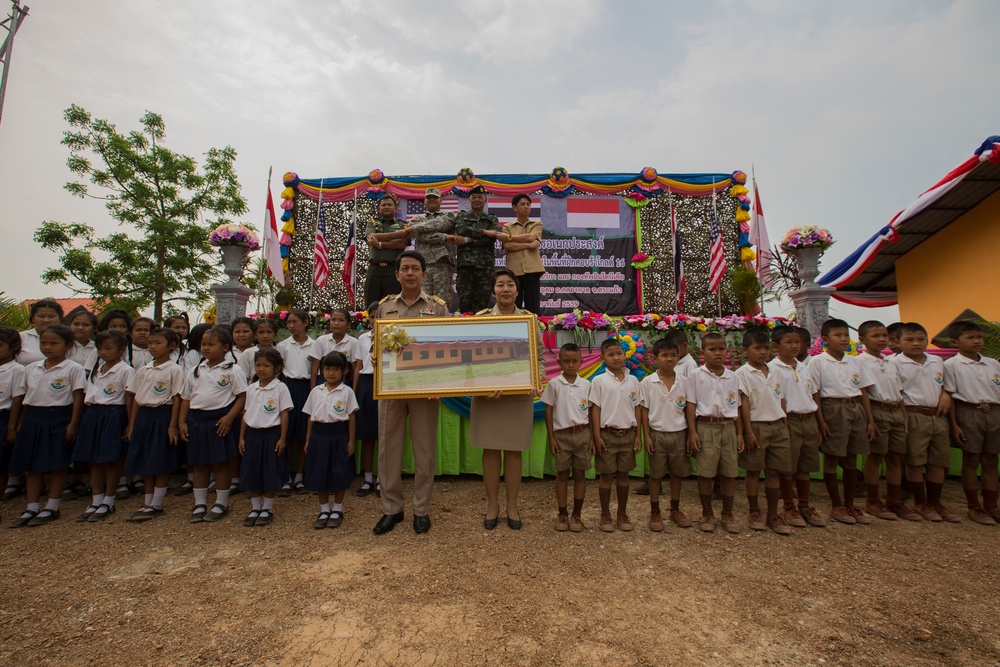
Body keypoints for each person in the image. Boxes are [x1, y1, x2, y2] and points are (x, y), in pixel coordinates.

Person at [372, 250, 449, 535]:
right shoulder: (385, 307)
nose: (410, 273)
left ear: (424, 274)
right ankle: (392, 510)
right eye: (404, 268)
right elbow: (375, 342)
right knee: (387, 451)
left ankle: (421, 510)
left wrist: (439, 383)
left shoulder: (437, 307)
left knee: (424, 452)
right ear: (397, 275)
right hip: (391, 388)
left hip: (425, 390)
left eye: (415, 268)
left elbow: (446, 347)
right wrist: (374, 354)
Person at [471, 269, 544, 530]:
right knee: (490, 451)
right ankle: (493, 505)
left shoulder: (529, 320)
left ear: (517, 290)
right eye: (500, 285)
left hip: (518, 395)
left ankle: (512, 505)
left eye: (510, 285)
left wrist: (536, 381)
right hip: (488, 396)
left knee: (513, 452)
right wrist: (480, 385)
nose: (505, 289)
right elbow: (472, 357)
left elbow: (539, 357)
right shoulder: (479, 320)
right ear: (493, 291)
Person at [7, 324, 85, 527]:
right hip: (33, 416)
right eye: (44, 343)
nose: (48, 347)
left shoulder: (73, 368)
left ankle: (52, 505)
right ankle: (31, 506)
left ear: (68, 345)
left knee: (57, 463)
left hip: (58, 416)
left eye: (54, 343)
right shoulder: (33, 367)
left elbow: (78, 397)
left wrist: (73, 423)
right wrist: (19, 424)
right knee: (31, 464)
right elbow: (26, 397)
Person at [811, 319, 877, 525]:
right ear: (824, 340)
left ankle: (850, 503)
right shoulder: (817, 362)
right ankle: (836, 504)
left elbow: (863, 390)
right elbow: (815, 393)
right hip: (832, 408)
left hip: (855, 408)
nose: (842, 339)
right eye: (837, 335)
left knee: (851, 458)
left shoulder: (855, 361)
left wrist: (870, 420)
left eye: (845, 335)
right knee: (832, 458)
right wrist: (820, 420)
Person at [891, 322, 959, 522]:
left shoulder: (937, 361)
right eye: (909, 340)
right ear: (898, 342)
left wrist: (945, 394)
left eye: (921, 339)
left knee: (938, 461)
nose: (916, 344)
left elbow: (944, 385)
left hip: (937, 415)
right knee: (915, 460)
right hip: (913, 414)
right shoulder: (894, 363)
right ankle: (920, 502)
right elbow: (897, 392)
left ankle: (935, 502)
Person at [178, 327, 247, 523]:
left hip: (220, 420)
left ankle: (221, 502)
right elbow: (186, 398)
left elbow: (242, 396)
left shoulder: (233, 370)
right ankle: (200, 503)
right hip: (197, 420)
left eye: (211, 344)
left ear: (225, 347)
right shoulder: (195, 370)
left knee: (220, 463)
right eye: (203, 344)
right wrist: (182, 421)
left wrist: (229, 417)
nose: (206, 348)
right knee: (199, 464)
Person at [856, 320, 917, 520]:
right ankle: (873, 500)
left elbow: (899, 392)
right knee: (875, 456)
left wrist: (904, 416)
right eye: (876, 336)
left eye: (885, 336)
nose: (882, 339)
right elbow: (863, 391)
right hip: (877, 409)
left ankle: (894, 500)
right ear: (862, 339)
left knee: (895, 457)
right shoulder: (861, 362)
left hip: (895, 411)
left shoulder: (891, 362)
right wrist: (870, 420)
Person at [71, 331, 135, 522]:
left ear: (121, 350)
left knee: (111, 459)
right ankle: (96, 499)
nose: (103, 352)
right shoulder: (97, 370)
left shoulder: (126, 370)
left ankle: (109, 500)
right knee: (94, 460)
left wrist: (130, 424)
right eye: (100, 348)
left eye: (108, 348)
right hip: (94, 414)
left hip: (114, 414)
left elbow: (130, 398)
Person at [123, 328, 185, 522]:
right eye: (150, 343)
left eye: (158, 343)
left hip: (163, 415)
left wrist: (172, 425)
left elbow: (177, 398)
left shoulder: (174, 369)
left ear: (171, 346)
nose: (152, 347)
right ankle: (147, 501)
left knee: (160, 458)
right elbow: (135, 397)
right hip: (145, 416)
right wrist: (132, 424)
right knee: (146, 458)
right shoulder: (144, 369)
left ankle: (157, 503)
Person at [735, 331, 793, 535]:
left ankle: (773, 514)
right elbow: (743, 404)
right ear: (745, 351)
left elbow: (781, 398)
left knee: (774, 471)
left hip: (777, 424)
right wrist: (747, 432)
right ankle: (754, 511)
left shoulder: (775, 371)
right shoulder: (741, 374)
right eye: (757, 348)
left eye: (765, 348)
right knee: (753, 470)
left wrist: (784, 423)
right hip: (757, 425)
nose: (762, 352)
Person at [685, 332, 743, 534]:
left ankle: (727, 513)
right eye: (712, 349)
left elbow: (737, 407)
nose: (718, 353)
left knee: (729, 473)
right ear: (703, 352)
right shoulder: (695, 376)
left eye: (721, 349)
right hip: (706, 427)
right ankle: (707, 513)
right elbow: (691, 405)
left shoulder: (733, 376)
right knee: (706, 472)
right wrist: (692, 432)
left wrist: (740, 433)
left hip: (728, 426)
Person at [768, 325, 825, 527]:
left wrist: (819, 422)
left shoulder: (803, 367)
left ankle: (805, 505)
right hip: (788, 420)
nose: (794, 346)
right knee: (787, 468)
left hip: (807, 419)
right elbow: (778, 399)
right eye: (789, 342)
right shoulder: (773, 369)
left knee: (805, 467)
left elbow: (812, 394)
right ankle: (789, 506)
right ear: (776, 345)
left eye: (797, 342)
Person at [944, 320, 1000, 524]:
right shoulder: (951, 365)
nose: (976, 341)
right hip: (968, 411)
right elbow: (949, 395)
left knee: (991, 460)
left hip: (994, 411)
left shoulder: (993, 364)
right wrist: (955, 424)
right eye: (970, 337)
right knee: (971, 460)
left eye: (979, 337)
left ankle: (991, 505)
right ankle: (974, 506)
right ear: (954, 342)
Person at [639, 337, 693, 531]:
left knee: (677, 474)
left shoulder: (685, 382)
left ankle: (675, 509)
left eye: (673, 355)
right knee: (656, 475)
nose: (669, 359)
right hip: (657, 435)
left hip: (679, 434)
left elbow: (688, 410)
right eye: (664, 355)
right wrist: (646, 435)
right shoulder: (648, 382)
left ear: (679, 357)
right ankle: (655, 512)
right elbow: (643, 410)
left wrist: (689, 435)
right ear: (655, 358)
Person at [589, 338, 642, 532]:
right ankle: (605, 514)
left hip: (628, 435)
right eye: (610, 354)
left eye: (619, 353)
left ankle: (622, 513)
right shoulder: (599, 381)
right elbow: (594, 410)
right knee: (606, 475)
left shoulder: (633, 380)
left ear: (625, 354)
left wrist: (638, 435)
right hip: (607, 435)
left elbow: (637, 408)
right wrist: (596, 436)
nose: (616, 357)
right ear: (603, 358)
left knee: (623, 476)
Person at [541, 342, 593, 532]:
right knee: (562, 474)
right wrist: (552, 438)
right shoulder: (554, 384)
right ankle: (562, 514)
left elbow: (592, 412)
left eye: (574, 361)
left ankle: (577, 515)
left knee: (580, 474)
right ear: (559, 362)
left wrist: (593, 438)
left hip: (583, 434)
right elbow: (549, 411)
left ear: (581, 361)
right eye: (566, 361)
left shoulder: (586, 384)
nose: (570, 365)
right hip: (561, 435)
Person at [238, 348, 292, 527]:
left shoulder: (280, 388)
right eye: (258, 365)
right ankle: (255, 507)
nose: (261, 369)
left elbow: (284, 414)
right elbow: (246, 412)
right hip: (253, 434)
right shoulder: (252, 388)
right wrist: (242, 437)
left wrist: (282, 438)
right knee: (253, 469)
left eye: (266, 365)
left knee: (270, 470)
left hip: (272, 434)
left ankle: (267, 507)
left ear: (276, 368)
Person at [303, 352, 358, 529]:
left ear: (344, 371)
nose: (331, 373)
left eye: (336, 369)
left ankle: (338, 509)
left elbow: (351, 417)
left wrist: (351, 440)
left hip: (339, 435)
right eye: (327, 369)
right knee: (320, 472)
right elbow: (310, 416)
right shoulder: (315, 391)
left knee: (339, 471)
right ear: (321, 370)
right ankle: (324, 509)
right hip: (319, 435)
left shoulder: (347, 391)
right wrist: (308, 440)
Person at [275, 309, 317, 495]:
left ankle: (299, 477)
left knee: (302, 436)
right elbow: (279, 370)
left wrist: (313, 393)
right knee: (286, 434)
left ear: (305, 323)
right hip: (288, 388)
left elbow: (315, 371)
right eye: (289, 322)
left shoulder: (314, 345)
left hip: (306, 388)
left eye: (295, 322)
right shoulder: (283, 346)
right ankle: (284, 477)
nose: (292, 325)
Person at [449, 185, 509, 313]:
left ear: (485, 200)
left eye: (480, 197)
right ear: (469, 200)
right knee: (465, 301)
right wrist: (484, 232)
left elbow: (491, 238)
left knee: (483, 302)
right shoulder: (462, 216)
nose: (477, 200)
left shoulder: (491, 218)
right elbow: (461, 230)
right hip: (465, 266)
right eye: (474, 197)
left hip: (485, 267)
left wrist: (468, 240)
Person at [408, 187, 456, 307]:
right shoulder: (416, 219)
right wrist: (443, 237)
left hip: (443, 264)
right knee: (422, 301)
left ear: (441, 201)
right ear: (424, 201)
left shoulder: (449, 215)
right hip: (422, 266)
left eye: (435, 197)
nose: (432, 200)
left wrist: (417, 228)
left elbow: (440, 224)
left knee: (442, 303)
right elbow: (419, 235)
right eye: (429, 198)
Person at [353, 303, 379, 497]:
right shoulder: (362, 339)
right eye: (372, 316)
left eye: (380, 316)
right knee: (368, 435)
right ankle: (368, 477)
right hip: (366, 384)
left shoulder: (393, 337)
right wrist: (354, 393)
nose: (376, 319)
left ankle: (383, 478)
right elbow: (358, 366)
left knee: (385, 436)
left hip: (385, 384)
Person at [501, 194, 544, 313]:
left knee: (533, 305)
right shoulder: (507, 226)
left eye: (528, 204)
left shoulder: (537, 224)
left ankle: (535, 329)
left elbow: (531, 237)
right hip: (514, 270)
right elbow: (507, 245)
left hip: (532, 269)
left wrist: (509, 237)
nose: (526, 207)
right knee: (514, 304)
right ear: (514, 207)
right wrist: (527, 245)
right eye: (522, 204)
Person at [364, 195, 409, 307]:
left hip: (393, 269)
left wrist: (379, 243)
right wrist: (397, 234)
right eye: (383, 205)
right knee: (371, 305)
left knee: (394, 304)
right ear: (379, 209)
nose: (387, 207)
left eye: (390, 204)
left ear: (395, 208)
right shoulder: (372, 222)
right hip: (374, 269)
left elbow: (401, 244)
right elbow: (371, 237)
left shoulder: (402, 224)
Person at [0, 329, 26, 508]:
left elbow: (18, 399)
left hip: (3, 417)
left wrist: (11, 427)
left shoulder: (17, 370)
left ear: (14, 347)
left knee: (1, 465)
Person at [312, 308, 361, 385]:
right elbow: (315, 368)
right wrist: (313, 391)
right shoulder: (321, 341)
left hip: (345, 382)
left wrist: (354, 391)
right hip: (323, 382)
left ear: (348, 325)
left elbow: (355, 369)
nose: (336, 323)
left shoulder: (353, 342)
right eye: (333, 320)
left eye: (341, 320)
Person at [18, 299, 64, 367]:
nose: (46, 320)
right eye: (41, 316)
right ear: (33, 318)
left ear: (60, 318)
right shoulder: (20, 337)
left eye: (51, 316)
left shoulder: (68, 338)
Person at [66, 310, 98, 375]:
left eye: (86, 325)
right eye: (76, 324)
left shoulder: (98, 347)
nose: (80, 328)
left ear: (94, 328)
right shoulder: (65, 347)